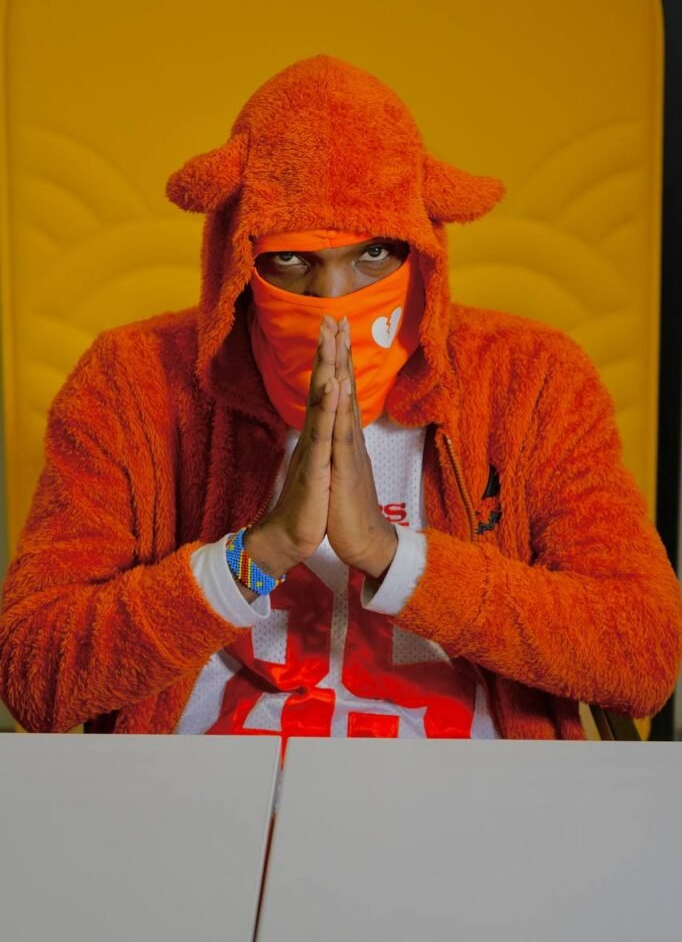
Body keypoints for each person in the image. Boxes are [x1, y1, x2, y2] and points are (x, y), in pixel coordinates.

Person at [0, 54, 680, 740]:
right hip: (209, 779)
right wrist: (256, 554)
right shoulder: (132, 381)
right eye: (292, 259)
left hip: (464, 783)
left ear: (423, 253)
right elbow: (31, 673)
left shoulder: (531, 381)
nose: (333, 301)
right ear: (236, 260)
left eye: (373, 255)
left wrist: (393, 556)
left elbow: (645, 654)